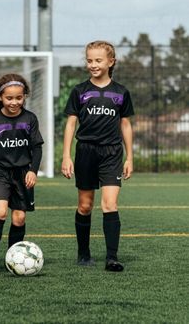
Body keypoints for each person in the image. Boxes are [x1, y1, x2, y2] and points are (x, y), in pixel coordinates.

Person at [62, 40, 134, 272]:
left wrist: (129, 157)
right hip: (86, 151)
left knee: (110, 204)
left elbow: (125, 125)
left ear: (111, 62)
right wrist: (66, 155)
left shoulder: (120, 92)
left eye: (98, 60)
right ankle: (84, 253)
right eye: (89, 60)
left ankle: (112, 257)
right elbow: (71, 123)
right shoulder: (80, 91)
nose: (93, 64)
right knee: (85, 205)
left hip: (112, 152)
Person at [0, 73, 44, 275]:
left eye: (19, 98)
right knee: (1, 211)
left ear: (24, 97)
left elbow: (37, 148)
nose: (14, 102)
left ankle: (12, 258)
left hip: (23, 172)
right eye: (9, 98)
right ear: (0, 97)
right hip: (0, 171)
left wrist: (32, 171)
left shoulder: (30, 119)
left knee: (19, 218)